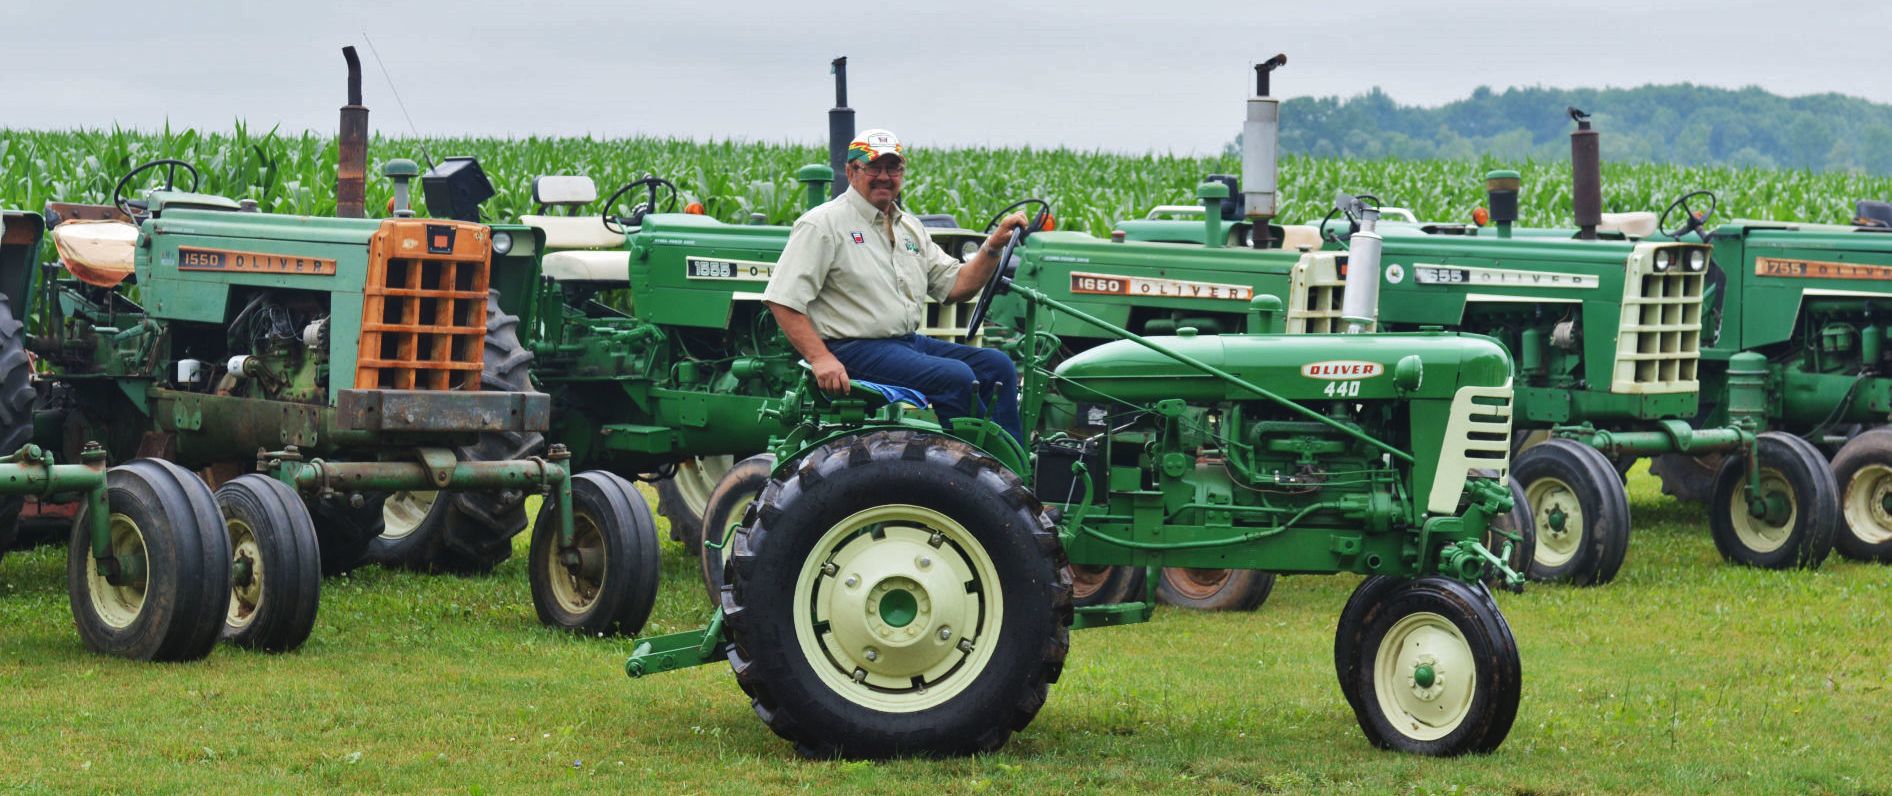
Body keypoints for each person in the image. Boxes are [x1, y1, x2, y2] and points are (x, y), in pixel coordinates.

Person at [762, 128, 1029, 443]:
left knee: (997, 366)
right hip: (853, 349)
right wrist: (821, 359)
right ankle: (975, 471)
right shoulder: (823, 224)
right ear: (851, 171)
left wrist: (993, 246)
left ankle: (1010, 465)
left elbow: (956, 286)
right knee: (955, 377)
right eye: (874, 167)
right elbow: (782, 299)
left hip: (904, 343)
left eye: (893, 168)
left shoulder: (909, 227)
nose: (884, 177)